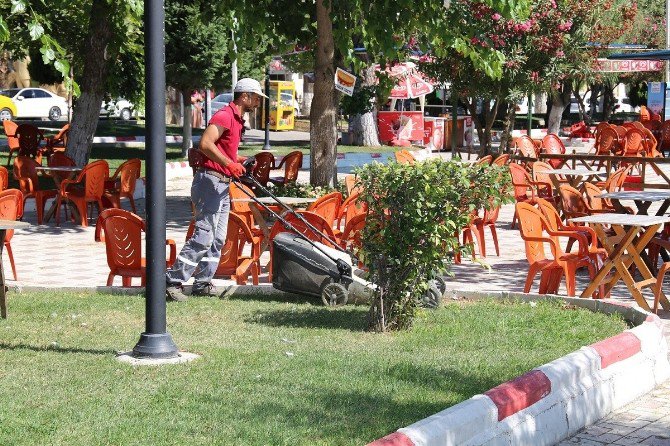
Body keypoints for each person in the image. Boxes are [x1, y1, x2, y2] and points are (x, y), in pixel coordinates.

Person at [166, 78, 267, 301]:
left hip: (222, 184)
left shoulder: (237, 119)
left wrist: (240, 160)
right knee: (203, 235)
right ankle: (172, 281)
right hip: (209, 183)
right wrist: (229, 164)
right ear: (245, 96)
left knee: (218, 238)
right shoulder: (224, 116)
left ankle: (202, 282)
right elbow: (205, 144)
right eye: (257, 97)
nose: (259, 101)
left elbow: (224, 152)